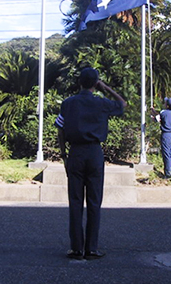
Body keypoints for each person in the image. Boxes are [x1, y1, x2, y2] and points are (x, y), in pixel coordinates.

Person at [54, 67, 126, 260]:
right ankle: (91, 248)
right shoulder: (101, 103)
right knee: (94, 201)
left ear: (79, 82)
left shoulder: (68, 104)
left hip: (75, 152)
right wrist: (106, 88)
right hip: (95, 153)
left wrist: (64, 155)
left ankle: (76, 248)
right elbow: (122, 104)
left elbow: (59, 129)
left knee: (75, 201)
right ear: (96, 83)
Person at [151, 97, 171, 178]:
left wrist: (151, 114)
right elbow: (162, 116)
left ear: (167, 105)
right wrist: (154, 111)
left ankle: (168, 174)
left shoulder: (163, 112)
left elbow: (157, 119)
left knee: (166, 154)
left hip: (165, 135)